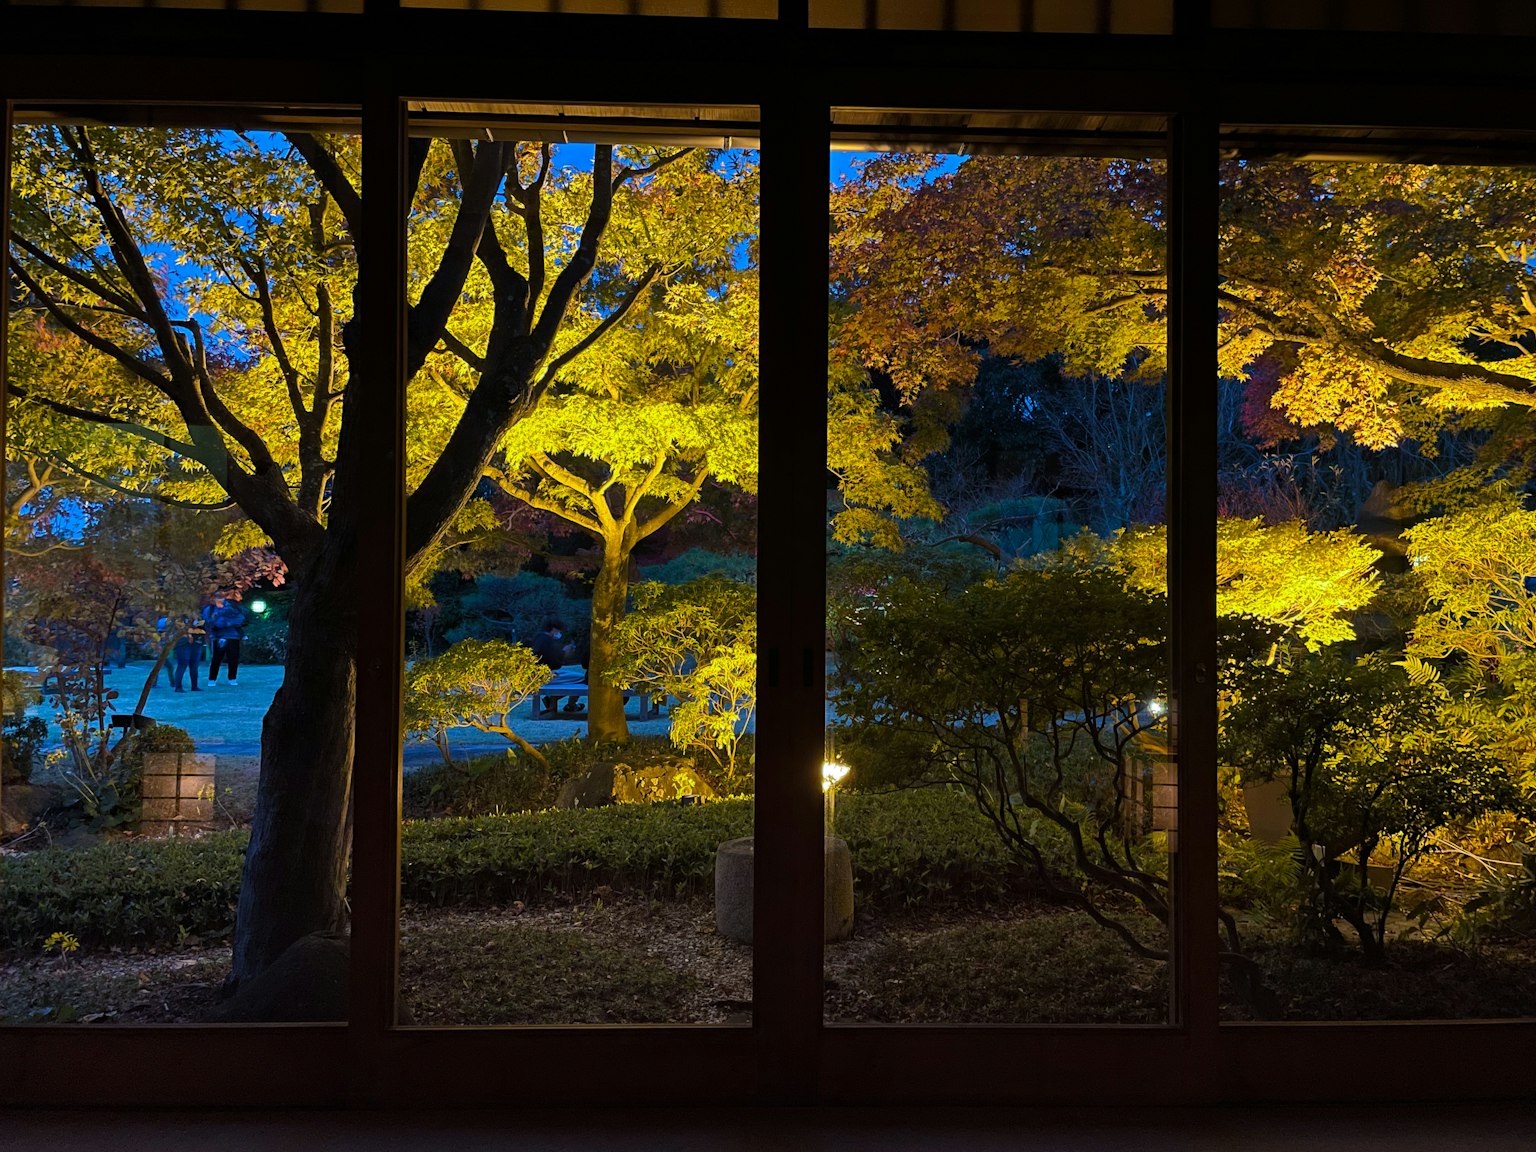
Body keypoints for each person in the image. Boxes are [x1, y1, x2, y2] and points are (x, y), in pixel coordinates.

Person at [530, 619, 578, 715]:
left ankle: (553, 703)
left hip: (541, 674)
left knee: (572, 675)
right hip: (543, 676)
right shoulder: (546, 641)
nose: (560, 634)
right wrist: (564, 653)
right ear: (554, 629)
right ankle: (571, 704)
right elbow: (552, 661)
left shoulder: (539, 638)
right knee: (581, 678)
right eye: (559, 631)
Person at [204, 595, 248, 685]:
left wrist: (228, 623)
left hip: (233, 635)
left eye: (221, 597)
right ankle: (212, 679)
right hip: (218, 635)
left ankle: (232, 678)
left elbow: (241, 617)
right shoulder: (210, 609)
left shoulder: (232, 606)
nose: (219, 599)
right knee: (217, 658)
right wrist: (216, 621)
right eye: (217, 597)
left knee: (233, 658)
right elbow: (207, 620)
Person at [170, 618, 207, 693]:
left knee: (194, 666)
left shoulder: (197, 614)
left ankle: (194, 686)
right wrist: (189, 633)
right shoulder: (180, 615)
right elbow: (177, 625)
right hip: (183, 642)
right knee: (182, 665)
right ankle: (178, 687)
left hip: (197, 642)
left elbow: (202, 624)